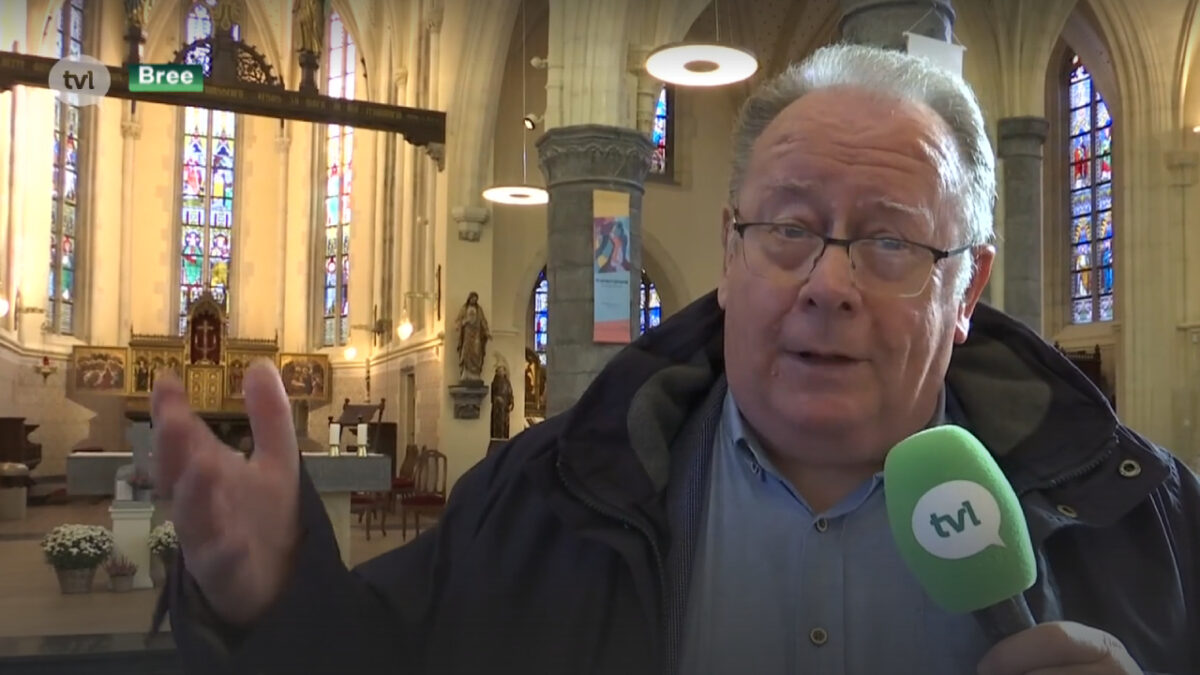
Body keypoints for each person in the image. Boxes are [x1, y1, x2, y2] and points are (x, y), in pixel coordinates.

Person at [150, 44, 1199, 674]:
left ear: (966, 289)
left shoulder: (1150, 522)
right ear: (730, 253)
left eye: (889, 241)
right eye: (788, 228)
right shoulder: (535, 501)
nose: (827, 282)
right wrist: (269, 603)